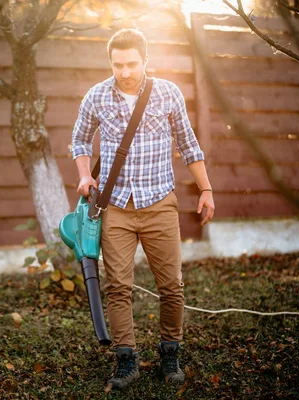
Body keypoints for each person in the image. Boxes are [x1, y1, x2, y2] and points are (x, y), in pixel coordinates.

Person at [70, 28, 215, 390]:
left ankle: (170, 354)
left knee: (172, 287)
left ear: (145, 60)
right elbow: (79, 139)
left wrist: (206, 189)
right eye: (117, 64)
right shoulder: (97, 96)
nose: (124, 71)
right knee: (117, 286)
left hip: (159, 204)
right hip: (114, 207)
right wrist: (85, 175)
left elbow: (189, 144)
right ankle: (126, 361)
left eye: (131, 63)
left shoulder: (168, 93)